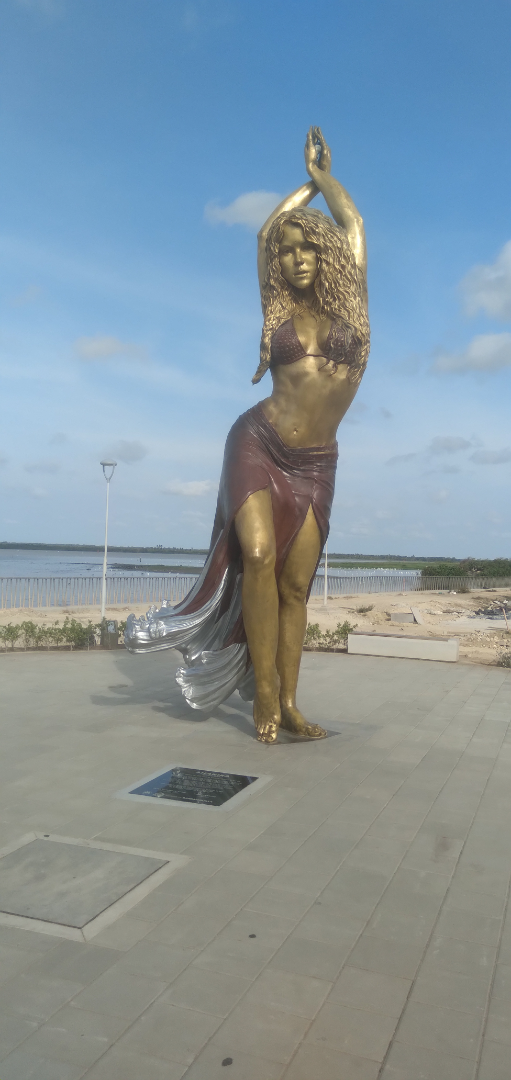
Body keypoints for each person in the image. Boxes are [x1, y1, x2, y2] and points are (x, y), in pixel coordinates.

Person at [125, 127, 369, 744]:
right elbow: (263, 234)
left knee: (295, 586)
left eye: (306, 248)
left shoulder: (353, 309)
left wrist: (321, 178)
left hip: (316, 464)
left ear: (327, 254)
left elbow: (353, 223)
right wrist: (297, 195)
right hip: (257, 442)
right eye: (288, 252)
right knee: (258, 557)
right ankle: (262, 691)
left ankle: (288, 701)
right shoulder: (277, 310)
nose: (295, 258)